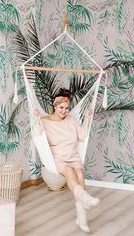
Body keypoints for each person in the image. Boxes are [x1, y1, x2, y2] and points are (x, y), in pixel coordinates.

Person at [35, 88, 100, 233]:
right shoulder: (45, 122)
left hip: (73, 155)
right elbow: (38, 135)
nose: (64, 111)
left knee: (80, 175)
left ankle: (81, 217)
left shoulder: (71, 119)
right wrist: (36, 120)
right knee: (70, 173)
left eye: (66, 108)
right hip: (58, 158)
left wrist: (87, 118)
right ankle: (85, 199)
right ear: (55, 105)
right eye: (61, 107)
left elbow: (82, 136)